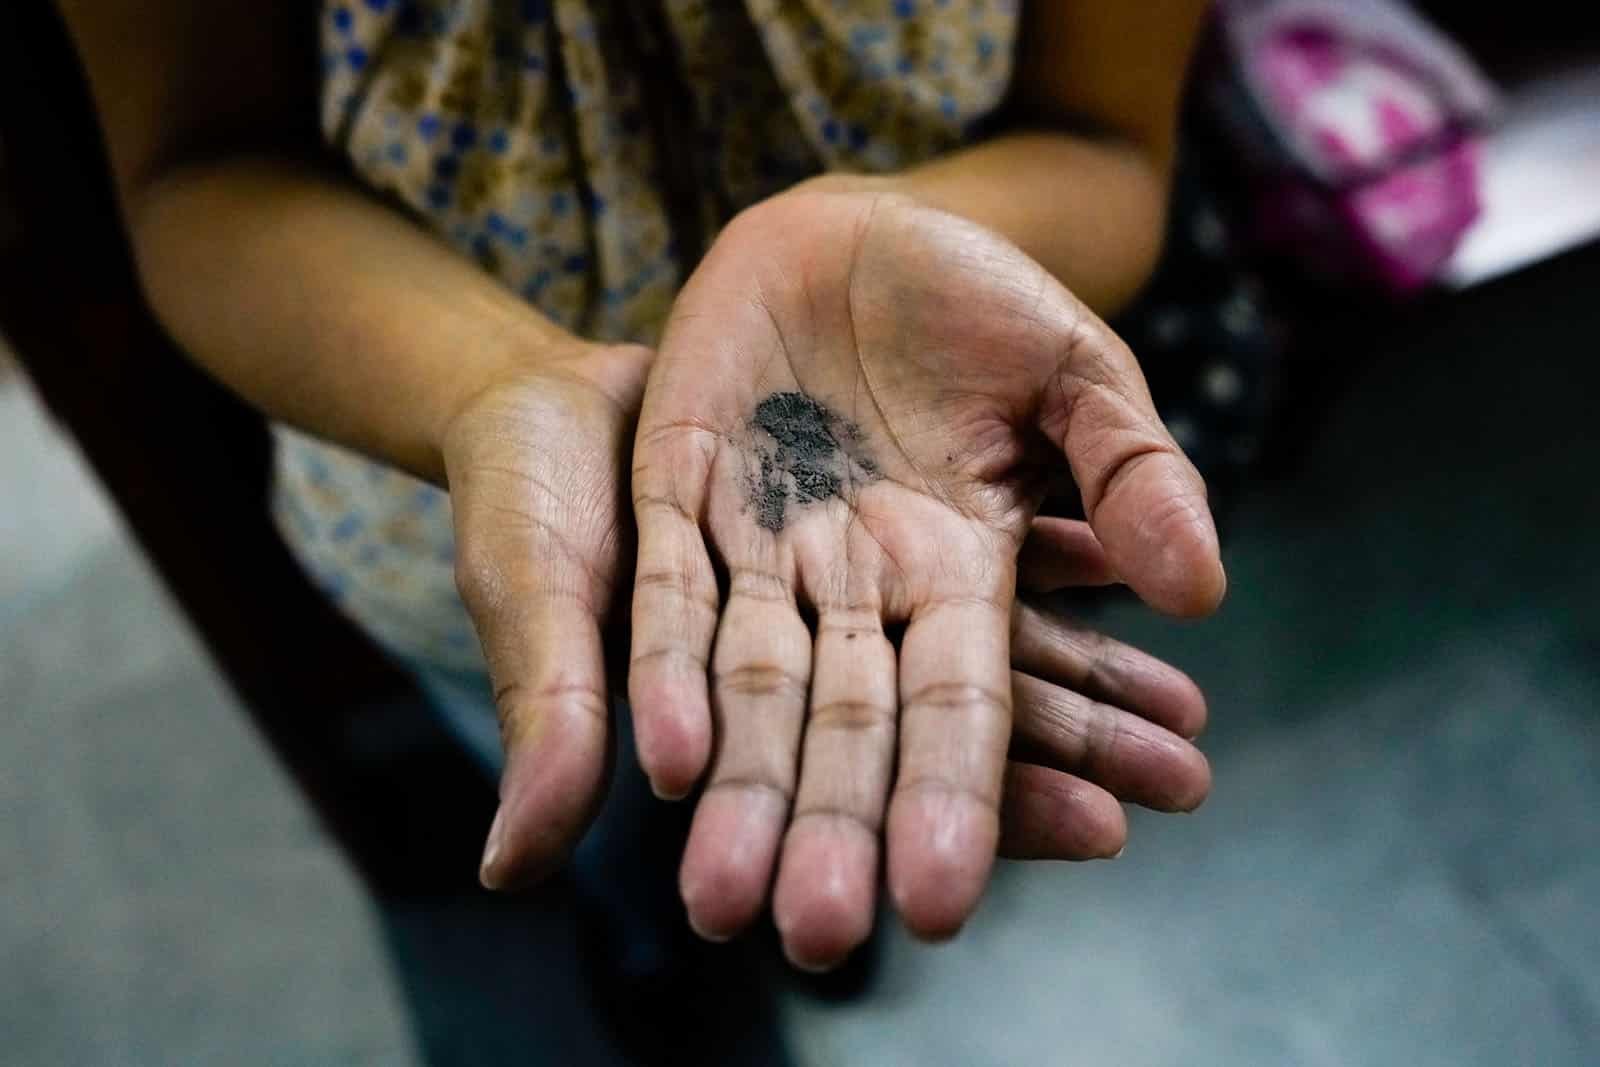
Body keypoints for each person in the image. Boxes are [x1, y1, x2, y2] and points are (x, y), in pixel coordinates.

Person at [58, 0, 1223, 975]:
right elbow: (199, 171)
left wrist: (891, 233)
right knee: (598, 795)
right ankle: (641, 928)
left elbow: (1103, 138)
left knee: (840, 769)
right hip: (455, 506)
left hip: (911, 467)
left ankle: (785, 911)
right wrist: (492, 382)